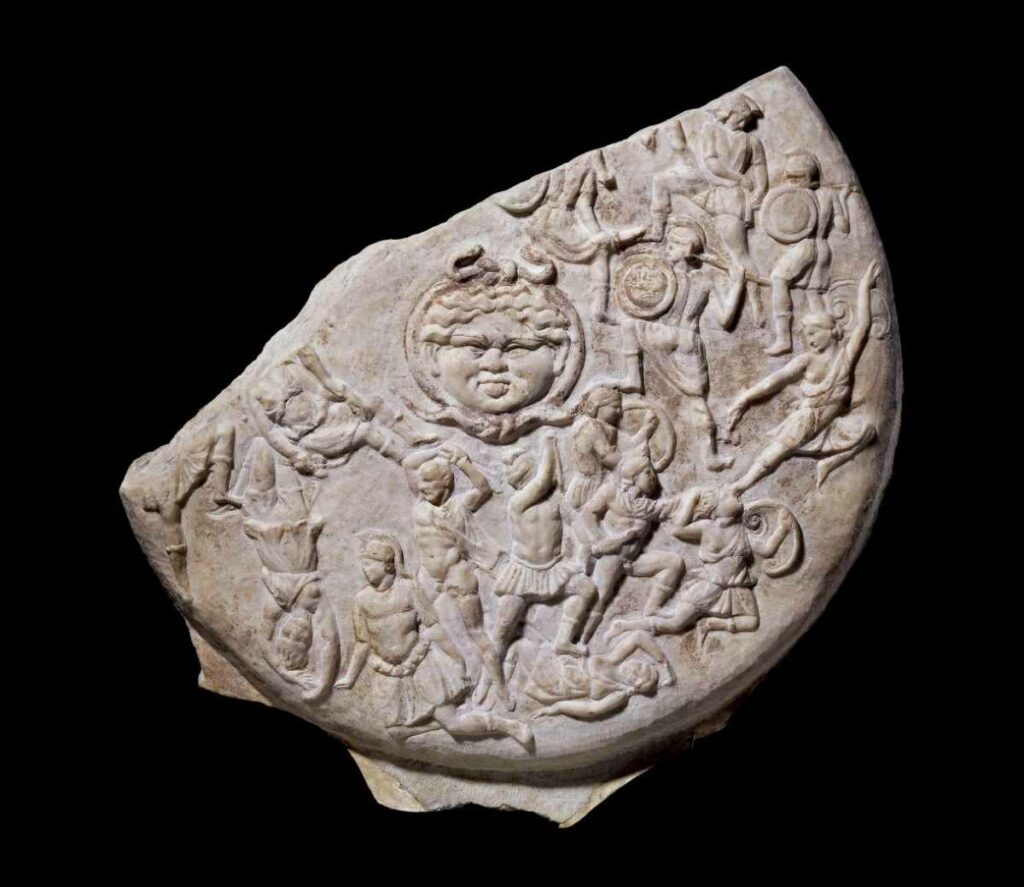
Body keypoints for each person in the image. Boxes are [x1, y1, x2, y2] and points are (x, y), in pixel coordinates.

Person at [336, 531, 534, 750]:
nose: (365, 569)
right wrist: (350, 676)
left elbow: (434, 627)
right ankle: (434, 728)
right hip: (387, 675)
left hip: (420, 667)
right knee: (393, 732)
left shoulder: (408, 589)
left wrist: (458, 661)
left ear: (388, 566)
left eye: (369, 564)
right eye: (363, 564)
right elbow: (363, 643)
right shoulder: (362, 599)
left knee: (453, 724)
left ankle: (505, 725)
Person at [725, 260, 880, 493]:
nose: (811, 339)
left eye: (814, 333)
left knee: (868, 431)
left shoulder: (846, 356)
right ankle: (742, 484)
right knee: (777, 451)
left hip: (827, 424)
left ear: (832, 332)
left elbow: (863, 325)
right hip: (807, 418)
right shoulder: (807, 360)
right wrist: (746, 397)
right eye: (808, 335)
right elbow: (776, 379)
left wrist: (864, 287)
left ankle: (828, 464)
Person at [403, 443, 510, 707]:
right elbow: (408, 463)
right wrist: (439, 449)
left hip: (457, 576)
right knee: (418, 624)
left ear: (445, 483)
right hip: (428, 578)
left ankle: (500, 687)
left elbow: (483, 488)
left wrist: (462, 461)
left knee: (476, 633)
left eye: (429, 482)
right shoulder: (419, 504)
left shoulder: (459, 505)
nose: (423, 487)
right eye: (421, 482)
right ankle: (450, 678)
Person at [635, 219, 745, 472]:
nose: (666, 249)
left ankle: (633, 379)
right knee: (698, 402)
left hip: (659, 336)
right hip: (688, 341)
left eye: (672, 245)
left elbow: (639, 302)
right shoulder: (705, 280)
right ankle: (710, 456)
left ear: (687, 249)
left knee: (630, 327)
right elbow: (725, 319)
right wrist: (737, 284)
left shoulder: (661, 275)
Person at [491, 437, 598, 662]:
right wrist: (548, 445)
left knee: (586, 589)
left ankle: (563, 641)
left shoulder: (556, 501)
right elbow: (543, 482)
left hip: (553, 569)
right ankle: (488, 672)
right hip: (522, 572)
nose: (511, 477)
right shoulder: (517, 502)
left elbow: (577, 526)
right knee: (503, 629)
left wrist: (583, 554)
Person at [576, 446, 684, 643]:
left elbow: (671, 507)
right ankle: (580, 640)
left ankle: (652, 608)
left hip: (631, 562)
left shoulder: (646, 506)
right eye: (648, 473)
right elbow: (588, 514)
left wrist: (695, 497)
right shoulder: (610, 492)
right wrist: (601, 541)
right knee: (600, 597)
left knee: (674, 562)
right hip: (610, 556)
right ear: (634, 476)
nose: (653, 477)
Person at [764, 151, 852, 354]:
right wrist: (842, 199)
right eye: (789, 176)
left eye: (797, 176)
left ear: (810, 177)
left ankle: (784, 339)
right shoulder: (829, 194)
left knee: (778, 278)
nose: (792, 181)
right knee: (813, 295)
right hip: (822, 249)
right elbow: (843, 226)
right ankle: (831, 344)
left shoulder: (801, 197)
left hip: (807, 247)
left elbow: (786, 223)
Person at [507, 631, 673, 722]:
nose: (635, 668)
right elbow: (638, 637)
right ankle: (501, 681)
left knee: (520, 646)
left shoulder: (619, 694)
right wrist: (664, 663)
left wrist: (554, 709)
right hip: (558, 662)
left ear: (635, 685)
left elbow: (591, 710)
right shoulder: (614, 660)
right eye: (642, 666)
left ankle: (500, 685)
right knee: (522, 642)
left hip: (556, 683)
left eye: (637, 675)